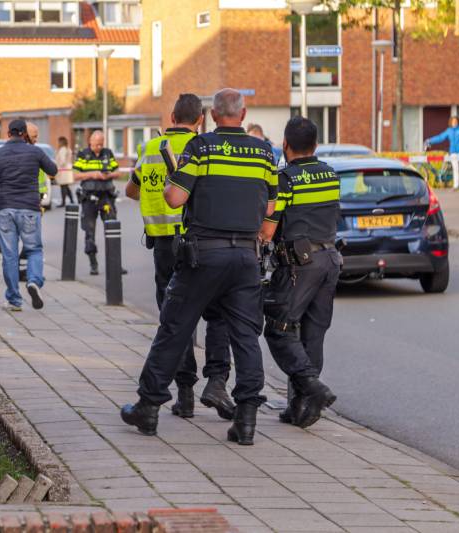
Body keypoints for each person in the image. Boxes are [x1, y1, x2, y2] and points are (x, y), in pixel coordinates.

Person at [120, 88, 277, 446]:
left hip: (203, 253)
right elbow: (271, 211)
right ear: (243, 112)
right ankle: (247, 418)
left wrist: (177, 182)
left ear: (211, 116)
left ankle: (148, 406)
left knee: (175, 327)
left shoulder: (201, 147)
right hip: (246, 258)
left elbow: (175, 197)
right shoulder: (264, 152)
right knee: (245, 335)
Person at [125, 93, 235, 420]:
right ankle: (216, 383)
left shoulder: (150, 149)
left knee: (175, 319)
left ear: (172, 116)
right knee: (215, 313)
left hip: (162, 245)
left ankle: (184, 395)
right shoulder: (204, 147)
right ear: (200, 119)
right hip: (198, 241)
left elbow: (131, 190)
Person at [260, 116, 340, 429]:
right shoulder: (331, 175)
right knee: (313, 334)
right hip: (330, 259)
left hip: (299, 265)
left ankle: (313, 389)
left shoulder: (286, 180)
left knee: (279, 329)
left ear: (286, 145)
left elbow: (268, 230)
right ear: (316, 145)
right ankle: (302, 409)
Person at [0, 119, 57, 312]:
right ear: (24, 134)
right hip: (30, 209)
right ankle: (34, 281)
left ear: (8, 133)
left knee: (9, 256)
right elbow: (53, 170)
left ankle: (14, 299)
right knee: (34, 250)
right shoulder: (35, 152)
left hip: (5, 210)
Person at [73, 130, 122, 276]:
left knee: (112, 229)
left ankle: (115, 264)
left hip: (106, 197)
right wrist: (92, 174)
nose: (99, 147)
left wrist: (109, 175)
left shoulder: (107, 153)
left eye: (101, 144)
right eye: (96, 144)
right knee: (89, 232)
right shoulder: (83, 154)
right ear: (90, 141)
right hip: (89, 198)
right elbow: (75, 174)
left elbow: (118, 172)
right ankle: (93, 263)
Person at [425, 116, 459, 189]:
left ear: (458, 122)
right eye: (453, 121)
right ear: (451, 122)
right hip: (453, 152)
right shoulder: (449, 131)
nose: (454, 123)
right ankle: (456, 185)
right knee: (455, 168)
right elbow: (440, 137)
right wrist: (430, 140)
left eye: (456, 121)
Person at [26, 122, 54, 207]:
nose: (36, 139)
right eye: (34, 136)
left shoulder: (38, 152)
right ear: (25, 135)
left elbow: (52, 171)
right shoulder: (36, 152)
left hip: (37, 194)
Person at [55, 136, 75, 207]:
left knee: (63, 186)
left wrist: (58, 165)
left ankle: (63, 202)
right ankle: (72, 200)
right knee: (66, 186)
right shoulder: (68, 149)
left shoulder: (62, 149)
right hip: (68, 170)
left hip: (63, 170)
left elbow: (62, 161)